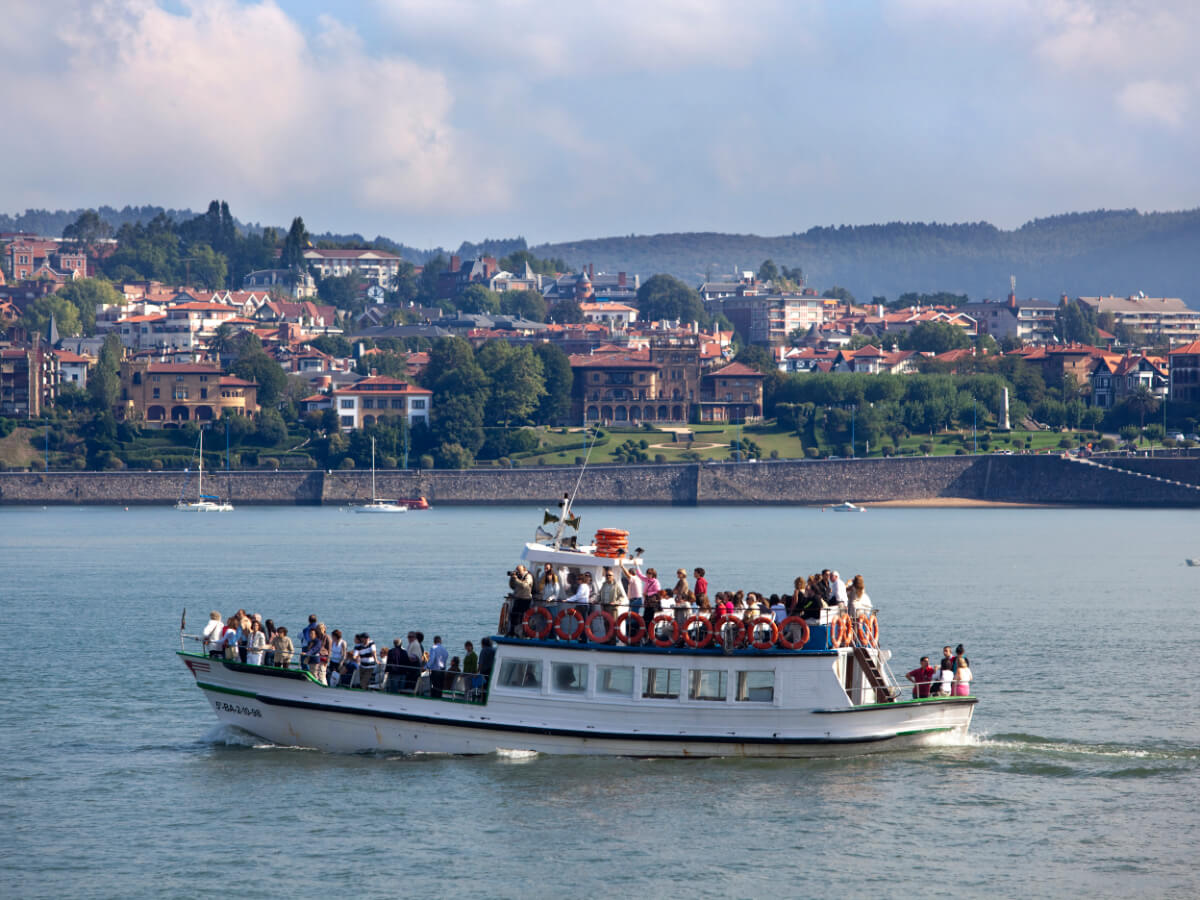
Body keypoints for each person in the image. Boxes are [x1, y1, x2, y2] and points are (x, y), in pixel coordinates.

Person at [507, 564, 534, 636]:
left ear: (524, 569)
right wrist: (512, 578)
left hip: (525, 599)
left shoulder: (528, 576)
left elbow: (524, 586)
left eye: (519, 570)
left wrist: (516, 579)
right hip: (518, 599)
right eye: (516, 570)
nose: (517, 572)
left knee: (523, 617)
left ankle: (524, 633)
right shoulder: (518, 577)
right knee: (514, 616)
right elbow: (512, 586)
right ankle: (512, 632)